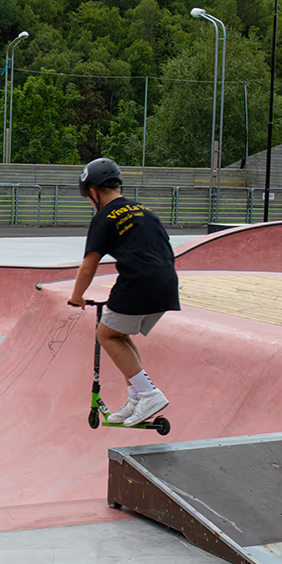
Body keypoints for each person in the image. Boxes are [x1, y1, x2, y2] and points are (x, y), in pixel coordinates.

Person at [67, 157, 179, 427]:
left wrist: (76, 296)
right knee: (119, 334)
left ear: (93, 191)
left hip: (138, 282)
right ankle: (136, 396)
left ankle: (149, 394)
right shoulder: (145, 211)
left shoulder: (104, 217)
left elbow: (89, 264)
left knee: (105, 334)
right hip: (167, 282)